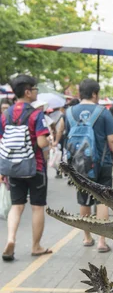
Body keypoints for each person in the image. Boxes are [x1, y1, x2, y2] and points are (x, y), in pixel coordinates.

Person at [65, 78, 113, 252]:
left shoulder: (69, 113)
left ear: (79, 94)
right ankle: (101, 241)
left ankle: (86, 238)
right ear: (94, 94)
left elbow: (65, 138)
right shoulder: (103, 112)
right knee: (102, 201)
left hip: (79, 165)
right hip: (103, 163)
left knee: (84, 201)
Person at [0, 75, 51, 261]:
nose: (36, 92)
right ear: (28, 92)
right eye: (35, 88)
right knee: (37, 207)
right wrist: (49, 141)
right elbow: (41, 141)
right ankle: (36, 246)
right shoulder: (36, 114)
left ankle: (11, 239)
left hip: (12, 168)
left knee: (16, 206)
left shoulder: (5, 115)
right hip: (35, 167)